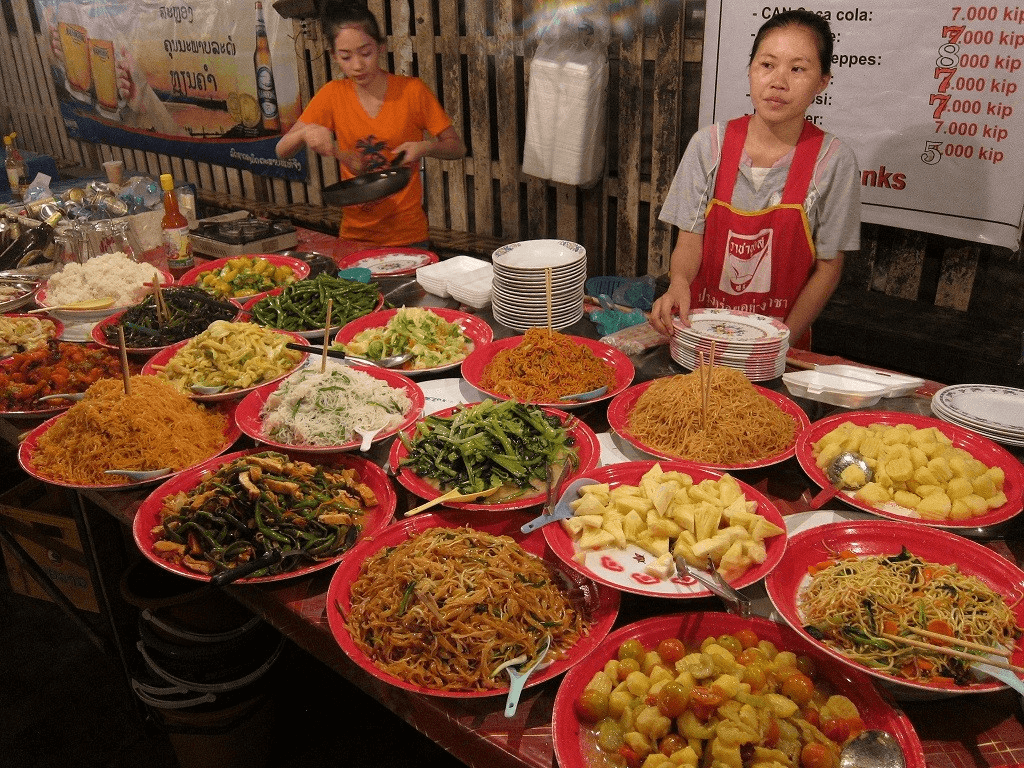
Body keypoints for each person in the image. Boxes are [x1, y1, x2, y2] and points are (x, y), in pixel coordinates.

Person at [650, 10, 860, 347]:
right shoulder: (709, 146)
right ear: (750, 69)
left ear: (823, 81)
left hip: (782, 340)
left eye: (798, 69)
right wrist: (678, 283)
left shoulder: (834, 161)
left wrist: (780, 343)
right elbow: (689, 240)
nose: (779, 81)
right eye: (767, 65)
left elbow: (827, 268)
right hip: (701, 333)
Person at [276, 1, 465, 247]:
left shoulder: (412, 91)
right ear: (334, 56)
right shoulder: (333, 95)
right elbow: (282, 150)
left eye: (366, 53)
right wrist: (305, 133)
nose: (357, 65)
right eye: (345, 56)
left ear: (381, 47)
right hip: (354, 236)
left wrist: (425, 147)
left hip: (409, 236)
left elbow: (457, 148)